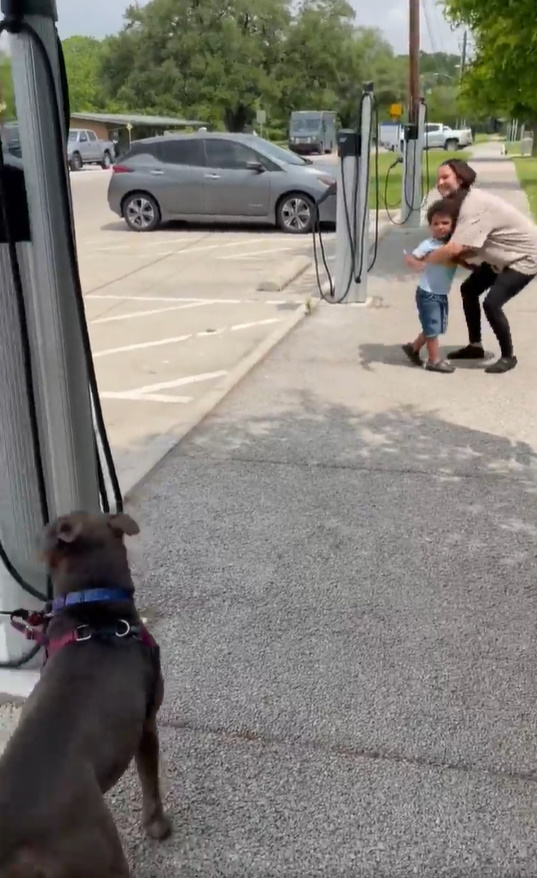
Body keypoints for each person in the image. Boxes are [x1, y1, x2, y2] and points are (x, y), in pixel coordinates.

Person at [426, 158, 537, 374]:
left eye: (445, 177)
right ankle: (475, 347)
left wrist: (423, 260)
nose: (440, 182)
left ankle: (508, 356)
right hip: (500, 257)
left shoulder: (473, 205)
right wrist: (457, 258)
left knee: (492, 304)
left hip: (525, 256)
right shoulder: (460, 203)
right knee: (469, 289)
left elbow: (455, 247)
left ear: (461, 177)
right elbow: (467, 247)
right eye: (438, 178)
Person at [402, 200, 461, 373]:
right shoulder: (428, 245)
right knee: (432, 327)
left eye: (445, 223)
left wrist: (474, 267)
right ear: (430, 227)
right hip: (428, 293)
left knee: (434, 325)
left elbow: (460, 259)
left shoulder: (451, 246)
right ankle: (434, 360)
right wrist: (415, 264)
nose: (440, 227)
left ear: (453, 225)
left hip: (440, 293)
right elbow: (412, 258)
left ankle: (413, 348)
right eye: (436, 224)